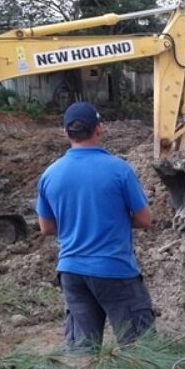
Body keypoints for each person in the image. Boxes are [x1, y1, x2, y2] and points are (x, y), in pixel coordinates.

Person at [36, 102, 154, 354]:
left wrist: (77, 223)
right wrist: (114, 221)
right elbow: (145, 220)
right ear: (99, 129)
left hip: (71, 272)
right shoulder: (119, 170)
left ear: (65, 133)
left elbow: (45, 228)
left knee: (82, 351)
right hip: (115, 270)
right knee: (142, 348)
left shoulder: (50, 175)